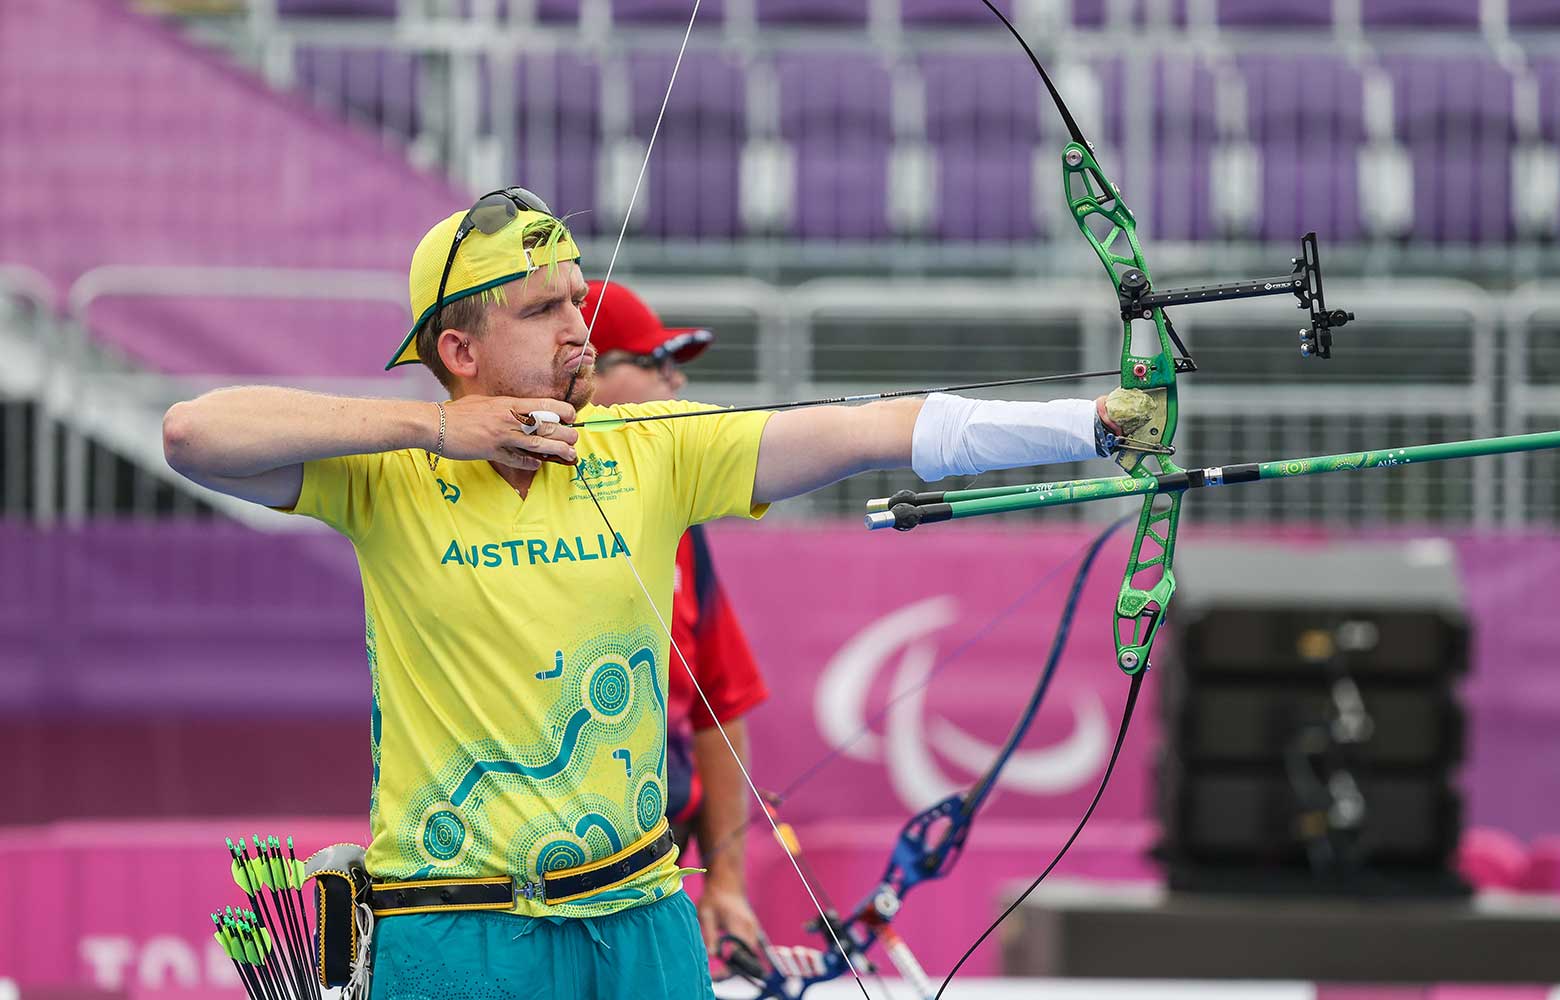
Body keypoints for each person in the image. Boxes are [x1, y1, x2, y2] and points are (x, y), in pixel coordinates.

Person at [161, 188, 1132, 1000]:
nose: (579, 330)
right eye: (543, 310)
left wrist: (1090, 424)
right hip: (456, 932)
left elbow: (874, 429)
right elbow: (193, 435)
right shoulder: (385, 478)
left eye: (578, 299)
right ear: (459, 351)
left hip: (641, 922)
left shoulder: (649, 449)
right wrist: (435, 431)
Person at [580, 279, 769, 957]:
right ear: (585, 371)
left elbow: (721, 706)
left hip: (657, 869)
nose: (676, 382)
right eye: (655, 363)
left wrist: (727, 883)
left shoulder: (680, 526)